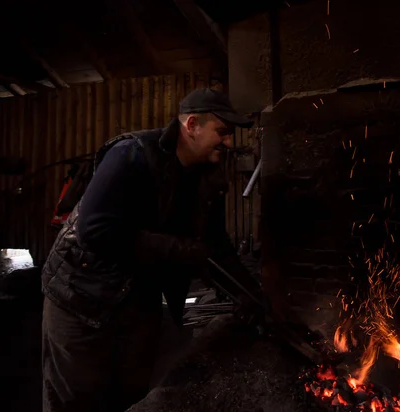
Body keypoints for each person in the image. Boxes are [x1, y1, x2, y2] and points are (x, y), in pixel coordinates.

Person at [41, 88, 258, 412]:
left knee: (131, 399)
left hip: (138, 304)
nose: (228, 142)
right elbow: (95, 230)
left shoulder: (207, 177)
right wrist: (178, 248)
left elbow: (215, 246)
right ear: (193, 125)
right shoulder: (132, 154)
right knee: (78, 401)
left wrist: (250, 295)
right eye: (222, 132)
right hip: (82, 300)